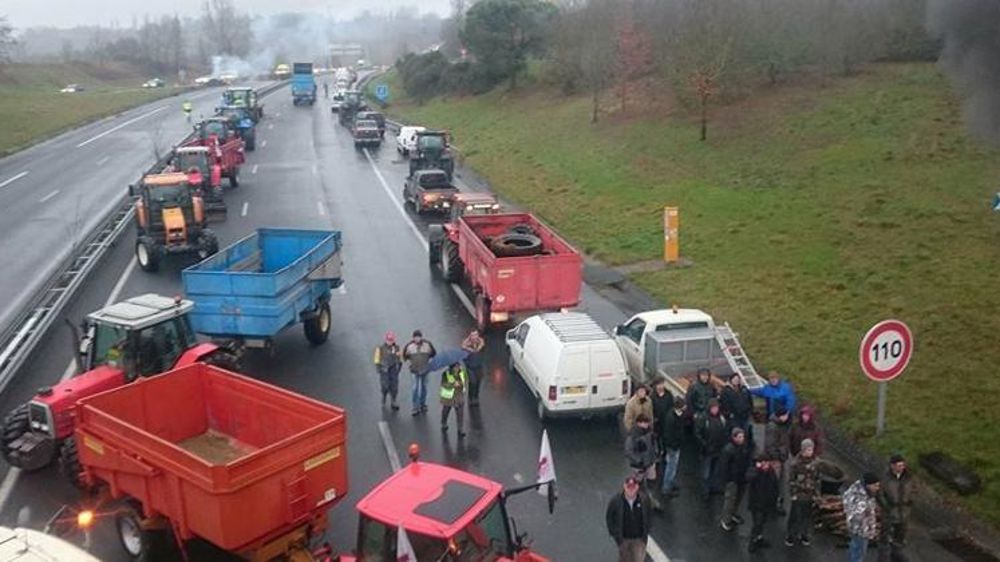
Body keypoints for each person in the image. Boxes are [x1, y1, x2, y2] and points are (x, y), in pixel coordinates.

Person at [785, 438, 840, 546]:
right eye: (807, 450)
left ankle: (804, 534)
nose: (810, 452)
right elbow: (791, 480)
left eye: (811, 449)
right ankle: (791, 535)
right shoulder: (796, 464)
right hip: (799, 494)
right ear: (803, 450)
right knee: (795, 516)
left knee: (807, 516)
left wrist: (817, 494)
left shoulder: (816, 463)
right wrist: (793, 494)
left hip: (810, 494)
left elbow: (818, 480)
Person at [606, 476, 653, 562]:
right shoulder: (616, 501)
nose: (631, 490)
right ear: (624, 486)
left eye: (633, 487)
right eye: (628, 487)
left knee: (638, 559)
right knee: (625, 559)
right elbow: (610, 517)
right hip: (624, 539)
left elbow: (649, 514)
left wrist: (646, 533)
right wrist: (616, 536)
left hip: (639, 540)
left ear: (637, 487)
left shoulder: (644, 500)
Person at [879, 454, 913, 562]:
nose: (901, 468)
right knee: (885, 538)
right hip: (889, 513)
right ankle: (883, 559)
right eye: (899, 465)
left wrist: (910, 501)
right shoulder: (885, 479)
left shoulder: (908, 477)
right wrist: (886, 506)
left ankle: (896, 557)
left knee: (900, 538)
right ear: (892, 466)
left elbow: (914, 490)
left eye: (902, 465)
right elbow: (880, 494)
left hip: (903, 513)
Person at [718, 427, 752, 531]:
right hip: (732, 479)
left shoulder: (744, 447)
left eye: (743, 436)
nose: (742, 439)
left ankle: (733, 514)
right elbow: (724, 466)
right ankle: (725, 519)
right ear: (734, 437)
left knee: (738, 498)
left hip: (742, 478)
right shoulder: (728, 450)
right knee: (730, 500)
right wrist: (728, 479)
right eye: (740, 437)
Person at [746, 453, 781, 553]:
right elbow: (749, 478)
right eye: (764, 463)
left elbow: (775, 486)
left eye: (767, 462)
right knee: (757, 523)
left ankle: (759, 538)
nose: (766, 465)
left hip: (767, 503)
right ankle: (753, 542)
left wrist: (775, 499)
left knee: (762, 522)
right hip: (757, 504)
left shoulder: (771, 471)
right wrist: (757, 469)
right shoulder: (754, 471)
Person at [624, 414, 660, 510]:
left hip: (650, 462)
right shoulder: (633, 435)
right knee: (637, 484)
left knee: (652, 481)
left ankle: (651, 500)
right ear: (639, 423)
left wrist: (655, 454)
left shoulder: (649, 432)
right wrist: (639, 461)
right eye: (645, 423)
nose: (647, 425)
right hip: (639, 466)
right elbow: (629, 451)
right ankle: (636, 501)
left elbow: (653, 443)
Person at [695, 399, 728, 500]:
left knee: (715, 470)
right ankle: (705, 491)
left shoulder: (721, 418)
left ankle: (712, 487)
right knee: (706, 472)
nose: (715, 410)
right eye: (713, 408)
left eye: (717, 408)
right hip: (707, 450)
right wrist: (705, 445)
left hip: (718, 449)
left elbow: (725, 431)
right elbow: (697, 433)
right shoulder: (703, 418)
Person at [844, 472, 881, 562]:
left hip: (859, 528)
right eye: (875, 485)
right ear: (868, 485)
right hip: (860, 529)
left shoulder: (863, 491)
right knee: (859, 552)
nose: (877, 488)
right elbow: (858, 514)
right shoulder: (860, 497)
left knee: (854, 548)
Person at [765, 405, 793, 514]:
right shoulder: (773, 427)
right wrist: (778, 457)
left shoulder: (781, 425)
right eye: (786, 415)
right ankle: (773, 504)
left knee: (779, 482)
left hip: (781, 458)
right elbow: (770, 445)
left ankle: (776, 503)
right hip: (776, 459)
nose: (787, 416)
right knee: (775, 483)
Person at [403, 330, 436, 416]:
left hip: (425, 370)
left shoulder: (427, 345)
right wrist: (410, 364)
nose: (417, 339)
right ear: (413, 338)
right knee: (415, 388)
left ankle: (422, 404)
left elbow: (433, 354)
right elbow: (405, 356)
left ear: (421, 337)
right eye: (415, 337)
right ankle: (415, 407)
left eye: (418, 337)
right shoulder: (409, 346)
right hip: (414, 371)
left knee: (424, 387)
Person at [658, 397, 686, 498]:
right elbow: (669, 434)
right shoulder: (671, 418)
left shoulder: (674, 415)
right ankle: (666, 488)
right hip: (673, 446)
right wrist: (674, 445)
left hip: (675, 445)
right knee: (671, 466)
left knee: (672, 465)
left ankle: (671, 482)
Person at [720, 373, 755, 450]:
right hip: (734, 418)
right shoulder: (726, 391)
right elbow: (723, 404)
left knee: (747, 434)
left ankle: (746, 450)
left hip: (745, 416)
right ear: (731, 380)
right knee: (735, 435)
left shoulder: (744, 389)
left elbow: (750, 401)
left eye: (738, 379)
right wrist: (728, 414)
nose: (736, 381)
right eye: (734, 379)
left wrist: (750, 411)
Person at [373, 331, 402, 410]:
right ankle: (384, 397)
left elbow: (399, 358)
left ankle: (393, 401)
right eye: (389, 340)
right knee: (385, 386)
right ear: (386, 340)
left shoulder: (396, 348)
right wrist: (378, 368)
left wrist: (399, 366)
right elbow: (376, 358)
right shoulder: (380, 348)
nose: (390, 342)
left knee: (394, 386)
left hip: (393, 369)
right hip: (384, 369)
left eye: (391, 340)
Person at [440, 363, 467, 438]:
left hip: (459, 396)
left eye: (458, 366)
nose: (458, 368)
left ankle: (460, 429)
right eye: (456, 367)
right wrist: (452, 385)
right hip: (449, 397)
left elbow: (465, 382)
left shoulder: (462, 373)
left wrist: (460, 384)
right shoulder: (446, 374)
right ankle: (444, 422)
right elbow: (444, 384)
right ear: (452, 368)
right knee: (446, 410)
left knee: (460, 413)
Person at [461, 329, 485, 407]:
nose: (475, 337)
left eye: (476, 335)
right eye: (473, 335)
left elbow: (482, 343)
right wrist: (469, 350)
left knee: (478, 382)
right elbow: (463, 349)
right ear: (470, 337)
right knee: (472, 382)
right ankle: (470, 398)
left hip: (478, 366)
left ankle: (476, 397)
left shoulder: (480, 343)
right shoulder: (466, 346)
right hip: (470, 367)